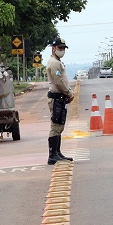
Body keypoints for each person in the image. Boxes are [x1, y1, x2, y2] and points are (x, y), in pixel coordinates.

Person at [45, 37, 74, 165]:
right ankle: (52, 155)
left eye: (63, 48)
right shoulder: (54, 63)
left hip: (59, 98)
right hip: (56, 97)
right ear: (53, 48)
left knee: (60, 125)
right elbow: (59, 81)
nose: (62, 50)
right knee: (55, 125)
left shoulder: (57, 61)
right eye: (60, 48)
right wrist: (69, 92)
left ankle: (57, 152)